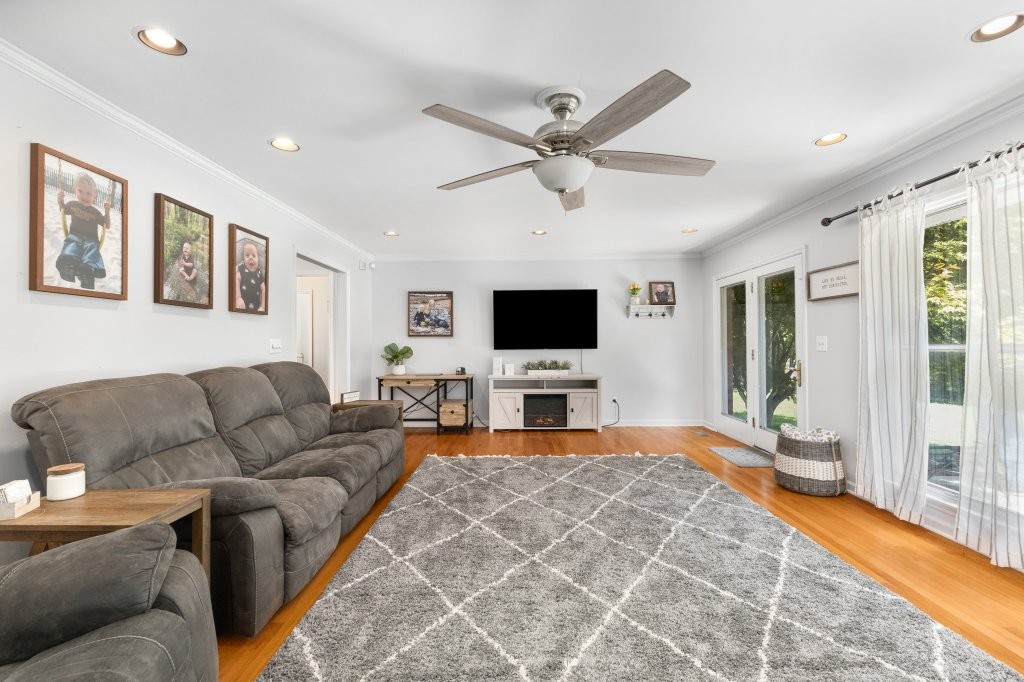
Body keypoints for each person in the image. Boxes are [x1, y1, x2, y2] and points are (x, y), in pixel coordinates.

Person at [55, 172, 109, 290]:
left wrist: (107, 212)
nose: (84, 196)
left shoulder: (95, 212)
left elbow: (106, 225)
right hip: (75, 235)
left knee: (91, 250)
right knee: (72, 245)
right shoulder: (72, 204)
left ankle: (87, 271)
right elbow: (63, 210)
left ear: (95, 197)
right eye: (80, 191)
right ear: (75, 191)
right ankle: (68, 266)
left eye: (88, 193)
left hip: (91, 239)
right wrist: (60, 201)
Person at [235, 241, 265, 311]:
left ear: (258, 259)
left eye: (254, 256)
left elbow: (264, 289)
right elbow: (236, 280)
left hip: (256, 309)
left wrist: (263, 306)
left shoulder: (259, 272)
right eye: (247, 255)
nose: (250, 257)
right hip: (242, 306)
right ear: (243, 259)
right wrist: (238, 298)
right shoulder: (241, 268)